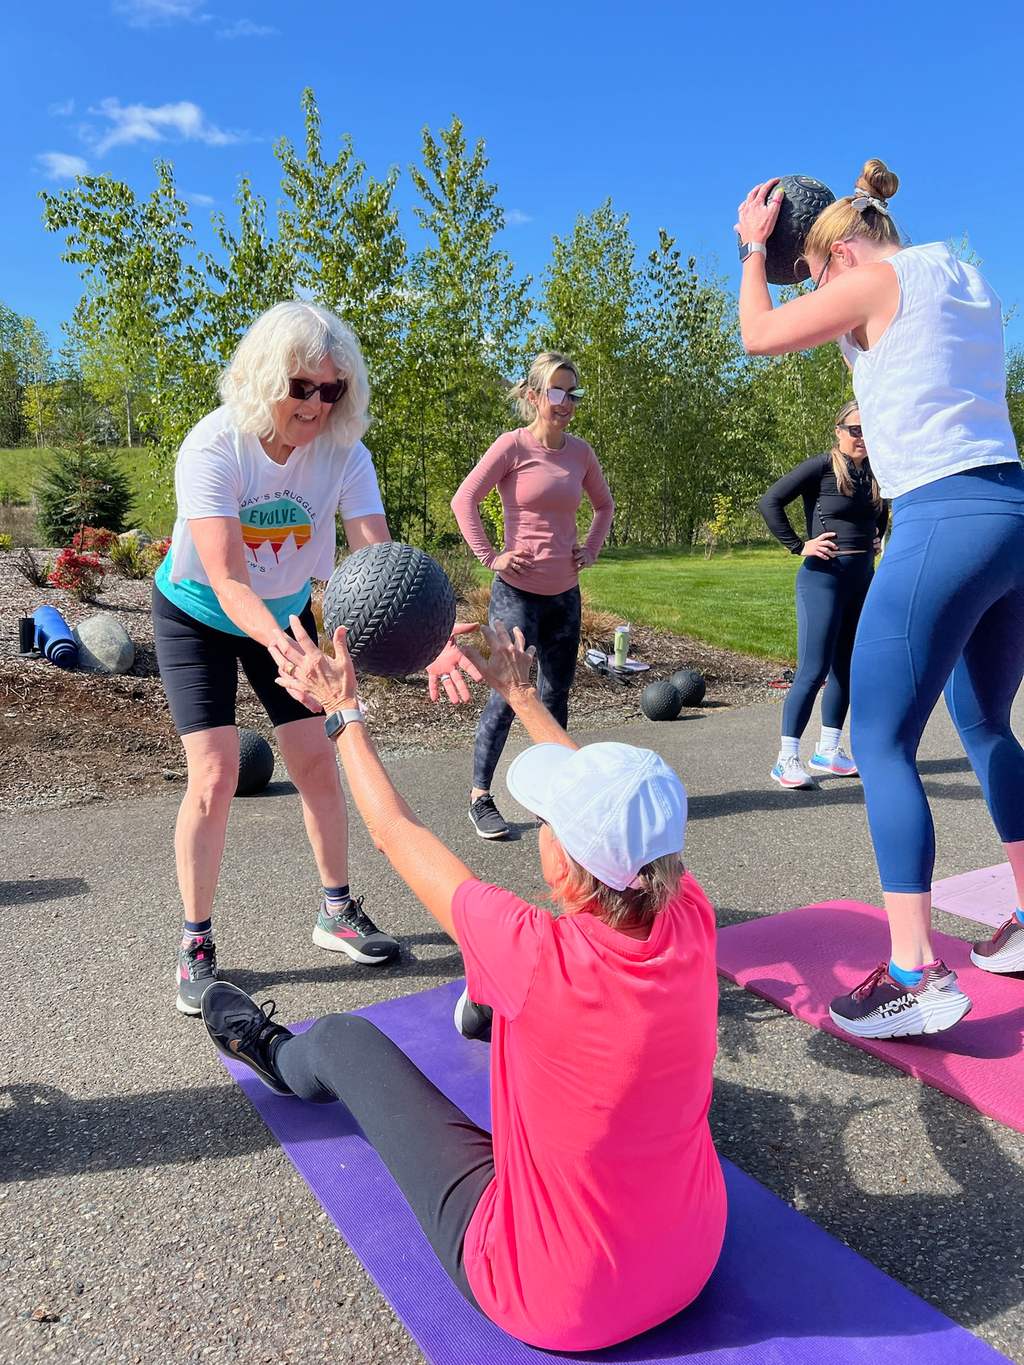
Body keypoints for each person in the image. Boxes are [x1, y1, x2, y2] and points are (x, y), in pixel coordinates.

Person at [200, 619, 726, 1352]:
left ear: (564, 864)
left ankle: (275, 1057)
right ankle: (486, 1013)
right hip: (692, 1261)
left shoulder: (531, 951)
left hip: (552, 1297)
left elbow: (395, 832)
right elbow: (616, 814)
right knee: (519, 1005)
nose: (542, 827)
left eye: (547, 822)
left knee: (346, 1041)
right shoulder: (689, 913)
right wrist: (520, 695)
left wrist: (342, 712)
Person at [735, 158, 1024, 1039]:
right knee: (983, 726)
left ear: (838, 253)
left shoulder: (871, 280)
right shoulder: (962, 273)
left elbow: (757, 335)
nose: (814, 292)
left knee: (880, 737)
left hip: (943, 517)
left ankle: (913, 972)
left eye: (812, 274)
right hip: (1012, 512)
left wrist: (753, 253)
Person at [153, 300, 478, 1015]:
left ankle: (335, 910)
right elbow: (229, 578)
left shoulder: (344, 452)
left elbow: (377, 560)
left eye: (332, 390)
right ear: (266, 376)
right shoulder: (214, 445)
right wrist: (284, 649)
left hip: (287, 608)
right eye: (302, 386)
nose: (316, 404)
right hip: (199, 610)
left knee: (316, 760)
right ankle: (196, 944)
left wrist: (430, 637)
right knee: (214, 771)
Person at [451, 351, 614, 839]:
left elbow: (603, 506)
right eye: (557, 392)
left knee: (554, 693)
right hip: (516, 595)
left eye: (573, 393)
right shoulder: (512, 446)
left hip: (564, 595)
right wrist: (490, 556)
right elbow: (465, 501)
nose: (566, 402)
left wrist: (591, 547)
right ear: (533, 395)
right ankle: (480, 796)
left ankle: (552, 798)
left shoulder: (580, 453)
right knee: (507, 696)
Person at [758, 401, 888, 790]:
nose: (862, 437)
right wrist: (800, 546)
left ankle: (828, 750)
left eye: (868, 429)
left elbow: (879, 514)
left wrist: (877, 536)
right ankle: (786, 760)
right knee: (812, 670)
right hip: (823, 579)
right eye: (855, 430)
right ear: (839, 430)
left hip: (861, 579)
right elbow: (770, 502)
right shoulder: (821, 468)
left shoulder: (875, 473)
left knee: (846, 669)